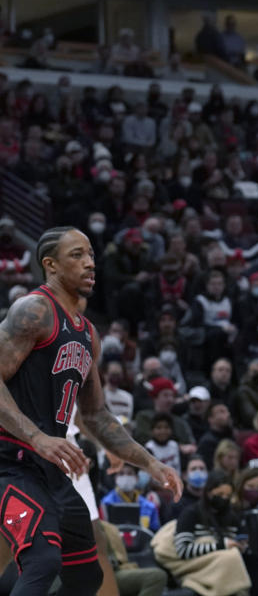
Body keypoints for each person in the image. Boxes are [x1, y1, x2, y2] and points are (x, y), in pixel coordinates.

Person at [0, 227, 181, 595]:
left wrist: (149, 462)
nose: (89, 263)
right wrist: (38, 437)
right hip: (10, 460)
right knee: (42, 560)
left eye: (91, 255)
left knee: (87, 575)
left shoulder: (87, 334)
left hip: (50, 467)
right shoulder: (33, 311)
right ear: (50, 265)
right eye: (77, 255)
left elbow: (96, 415)